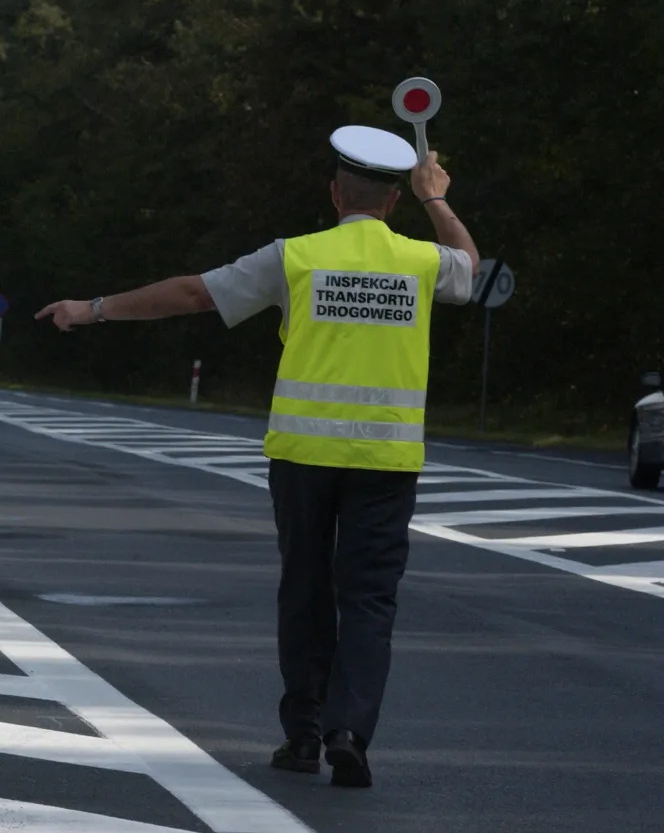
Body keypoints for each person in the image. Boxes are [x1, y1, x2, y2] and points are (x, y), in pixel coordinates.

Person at [35, 125, 480, 788]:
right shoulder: (419, 261)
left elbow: (193, 293)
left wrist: (92, 308)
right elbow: (470, 268)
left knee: (304, 590)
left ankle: (303, 736)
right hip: (385, 462)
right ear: (393, 201)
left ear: (335, 195)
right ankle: (350, 731)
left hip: (303, 457)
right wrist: (436, 197)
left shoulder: (294, 257)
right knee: (369, 601)